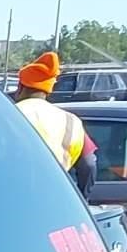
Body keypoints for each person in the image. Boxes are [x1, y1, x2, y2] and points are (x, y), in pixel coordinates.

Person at [13, 51, 98, 197]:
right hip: (53, 199)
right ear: (48, 91)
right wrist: (83, 199)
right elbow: (89, 164)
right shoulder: (71, 121)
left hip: (14, 195)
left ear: (20, 87)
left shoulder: (11, 114)